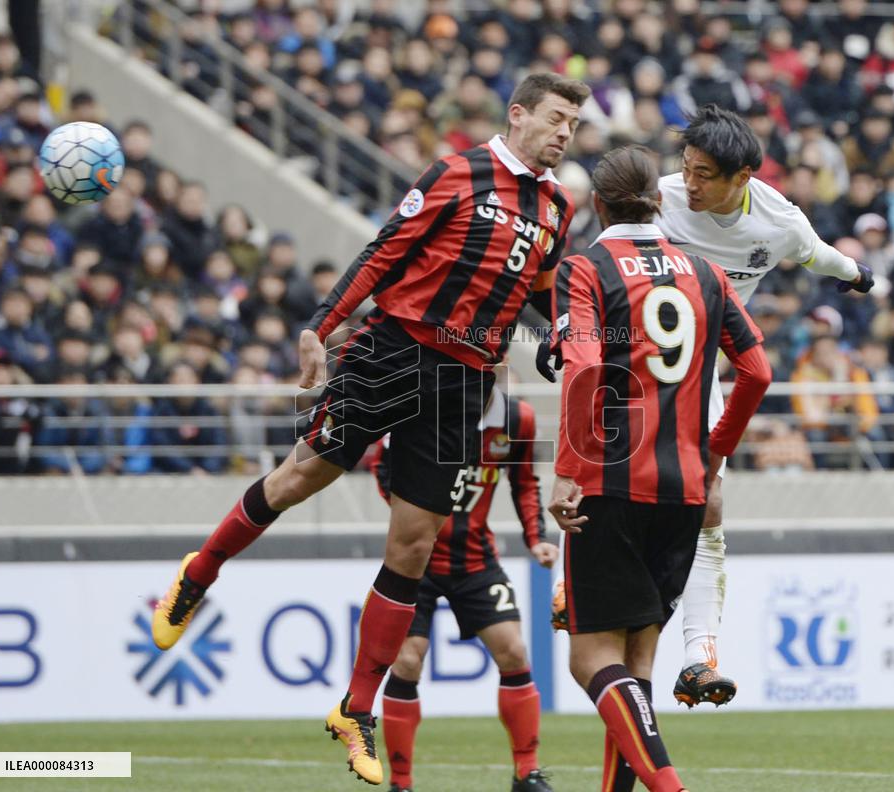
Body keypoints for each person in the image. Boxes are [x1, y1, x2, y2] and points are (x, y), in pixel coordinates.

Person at [150, 72, 589, 786]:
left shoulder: (557, 206)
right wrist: (319, 327)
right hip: (396, 351)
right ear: (518, 116)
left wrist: (561, 331)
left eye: (574, 123)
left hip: (467, 383)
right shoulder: (456, 173)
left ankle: (355, 708)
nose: (566, 134)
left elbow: (539, 289)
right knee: (302, 475)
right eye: (556, 118)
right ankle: (198, 574)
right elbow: (386, 250)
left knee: (413, 547)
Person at [546, 104, 874, 709]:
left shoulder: (779, 222)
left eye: (703, 175)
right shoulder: (660, 199)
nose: (688, 184)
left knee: (710, 498)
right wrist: (561, 331)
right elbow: (602, 264)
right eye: (686, 169)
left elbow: (818, 255)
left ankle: (701, 658)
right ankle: (574, 586)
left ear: (742, 178)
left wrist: (856, 274)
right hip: (625, 358)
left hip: (696, 368)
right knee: (599, 470)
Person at [548, 145, 771, 792]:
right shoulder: (704, 271)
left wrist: (569, 468)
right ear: (660, 199)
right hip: (686, 491)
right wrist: (716, 448)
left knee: (590, 658)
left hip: (611, 483)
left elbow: (586, 366)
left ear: (598, 203)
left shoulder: (585, 267)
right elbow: (757, 371)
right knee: (636, 670)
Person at [373, 388, 557, 792]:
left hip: (475, 560)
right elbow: (381, 467)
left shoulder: (516, 420)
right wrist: (413, 521)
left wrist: (536, 538)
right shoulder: (421, 409)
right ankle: (401, 783)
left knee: (514, 651)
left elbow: (525, 482)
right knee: (406, 662)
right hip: (414, 561)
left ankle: (527, 773)